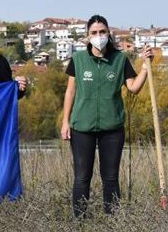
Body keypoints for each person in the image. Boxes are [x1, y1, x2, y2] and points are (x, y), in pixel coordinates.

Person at [61, 14, 153, 217]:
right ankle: (80, 222)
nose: (98, 36)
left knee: (110, 177)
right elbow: (70, 92)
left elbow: (133, 88)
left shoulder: (120, 60)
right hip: (81, 127)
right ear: (87, 36)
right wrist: (65, 122)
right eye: (94, 32)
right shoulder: (78, 59)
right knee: (82, 177)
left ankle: (112, 224)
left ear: (108, 33)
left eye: (102, 32)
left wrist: (145, 68)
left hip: (112, 129)